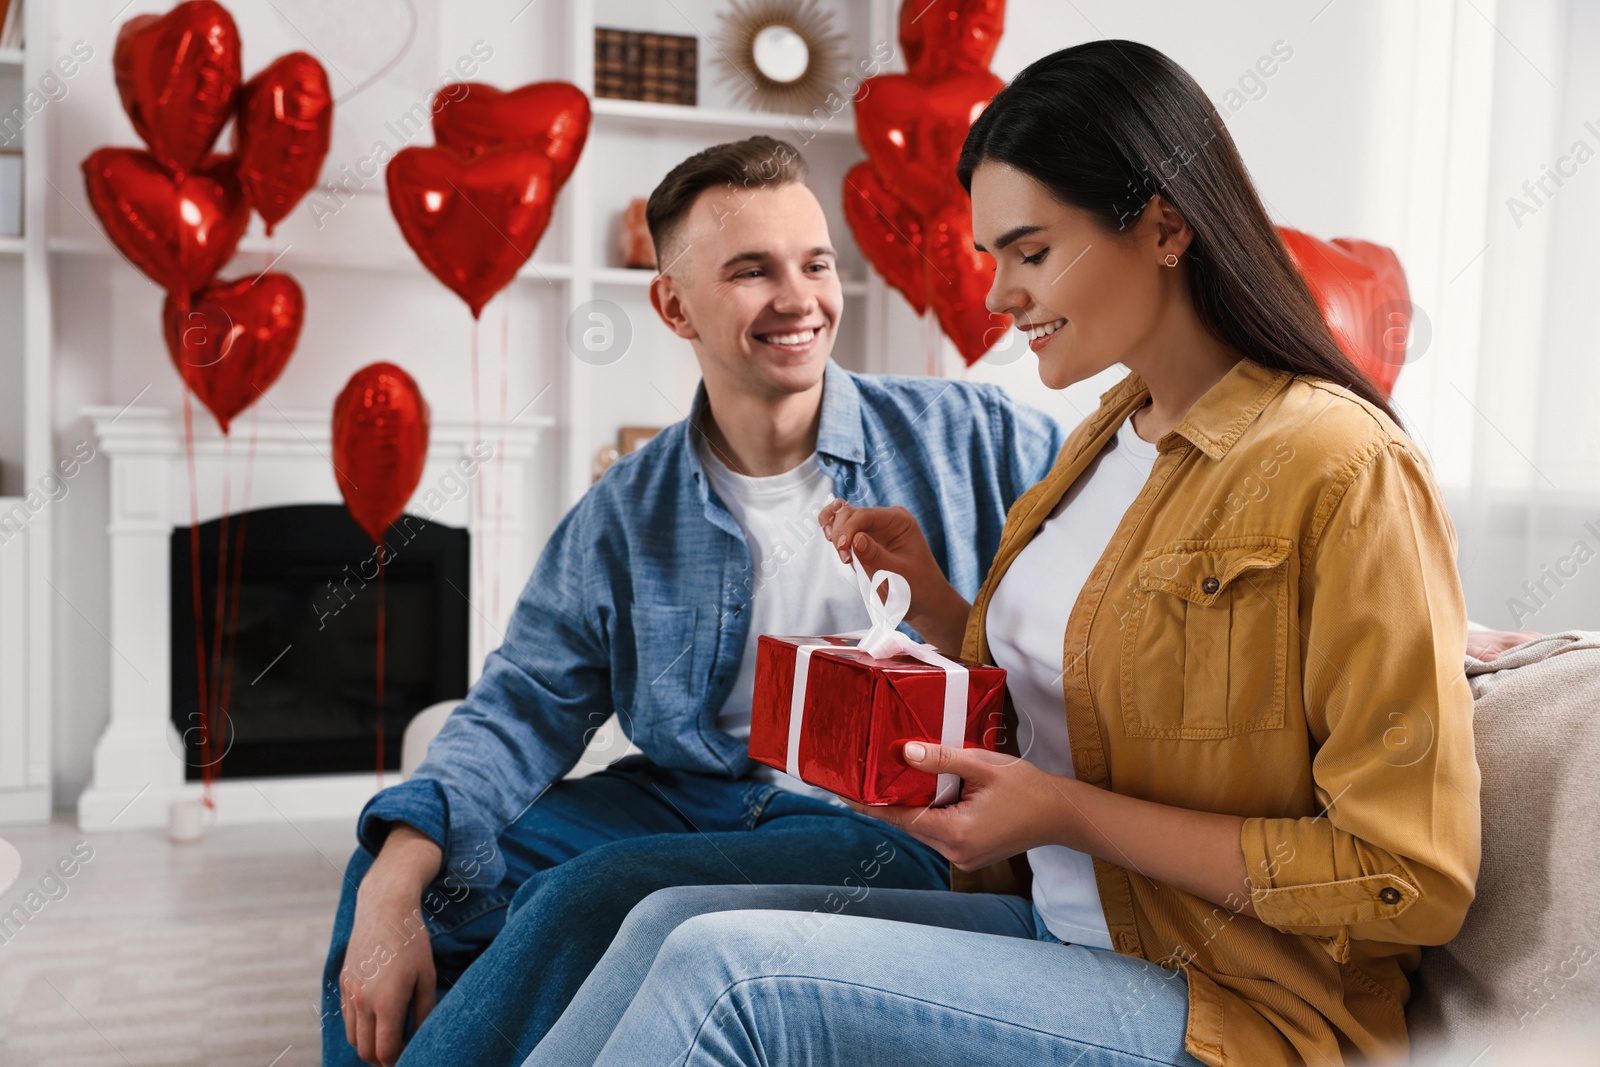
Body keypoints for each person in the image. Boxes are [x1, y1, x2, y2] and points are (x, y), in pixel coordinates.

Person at [518, 41, 1482, 1067]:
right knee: (665, 917)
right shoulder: (1104, 441)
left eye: (1028, 251)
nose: (996, 296)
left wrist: (1065, 812)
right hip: (1066, 934)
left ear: (1162, 226)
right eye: (990, 258)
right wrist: (937, 608)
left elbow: (1404, 874)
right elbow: (1092, 690)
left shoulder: (1338, 464)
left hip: (1231, 1002)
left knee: (729, 973)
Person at [320, 136, 1068, 1067]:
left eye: (816, 264)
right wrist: (395, 875)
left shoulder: (976, 436)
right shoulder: (626, 507)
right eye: (753, 271)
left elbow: (1110, 572)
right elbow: (523, 704)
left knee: (593, 897)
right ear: (674, 304)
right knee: (398, 871)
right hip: (682, 798)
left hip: (872, 825)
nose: (800, 300)